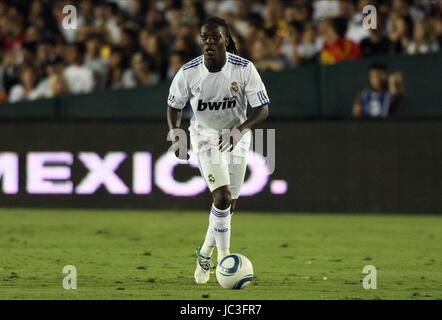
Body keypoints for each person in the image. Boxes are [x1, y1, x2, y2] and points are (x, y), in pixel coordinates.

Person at [166, 17, 269, 284]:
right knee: (221, 198)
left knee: (229, 204)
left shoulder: (244, 69)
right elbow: (174, 104)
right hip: (205, 137)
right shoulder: (189, 72)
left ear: (226, 40)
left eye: (214, 38)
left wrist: (241, 129)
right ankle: (225, 259)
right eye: (205, 38)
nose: (209, 43)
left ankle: (204, 252)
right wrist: (176, 132)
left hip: (237, 134)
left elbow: (263, 110)